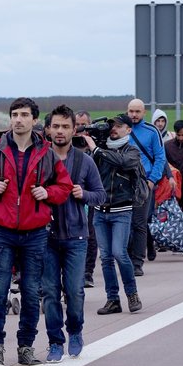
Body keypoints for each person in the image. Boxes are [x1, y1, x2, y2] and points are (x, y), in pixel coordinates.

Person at [0, 97, 72, 366]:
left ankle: (26, 347)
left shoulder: (47, 153)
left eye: (24, 114)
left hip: (35, 232)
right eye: (14, 114)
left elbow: (64, 186)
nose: (18, 119)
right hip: (2, 231)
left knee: (30, 291)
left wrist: (47, 193)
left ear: (35, 120)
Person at [42, 105, 106, 362]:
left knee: (75, 291)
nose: (60, 131)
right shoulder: (40, 159)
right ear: (48, 129)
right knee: (49, 291)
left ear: (74, 129)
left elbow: (101, 195)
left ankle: (76, 332)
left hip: (77, 236)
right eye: (56, 126)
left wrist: (84, 195)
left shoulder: (84, 160)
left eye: (65, 126)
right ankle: (55, 341)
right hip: (45, 236)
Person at [86, 113, 144, 315]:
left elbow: (124, 163)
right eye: (113, 125)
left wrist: (97, 150)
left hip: (122, 210)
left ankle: (132, 294)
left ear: (128, 129)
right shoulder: (100, 149)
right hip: (100, 211)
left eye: (119, 126)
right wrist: (93, 146)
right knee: (106, 258)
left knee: (119, 253)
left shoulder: (132, 151)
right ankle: (113, 300)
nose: (114, 129)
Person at [126, 99, 168, 275]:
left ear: (143, 113)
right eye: (131, 111)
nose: (134, 115)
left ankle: (137, 262)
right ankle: (126, 258)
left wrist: (152, 180)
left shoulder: (152, 131)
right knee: (123, 224)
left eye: (137, 111)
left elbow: (160, 157)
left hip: (143, 182)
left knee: (139, 223)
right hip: (123, 183)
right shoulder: (121, 129)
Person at [76, 110, 99, 289]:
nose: (80, 127)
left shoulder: (95, 143)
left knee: (89, 232)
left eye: (84, 124)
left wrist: (93, 147)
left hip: (89, 194)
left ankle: (87, 272)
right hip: (71, 194)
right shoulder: (68, 144)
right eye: (77, 124)